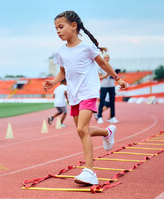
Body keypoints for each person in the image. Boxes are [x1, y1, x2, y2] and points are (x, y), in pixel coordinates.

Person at [43, 11, 127, 186]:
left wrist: (118, 78)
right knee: (84, 130)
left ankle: (90, 171)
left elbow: (102, 63)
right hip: (74, 95)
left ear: (74, 26)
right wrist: (53, 83)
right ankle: (107, 132)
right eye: (55, 29)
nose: (58, 31)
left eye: (61, 27)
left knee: (81, 130)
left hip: (88, 91)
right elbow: (62, 73)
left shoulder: (87, 47)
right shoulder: (60, 52)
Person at [97, 54, 118, 124]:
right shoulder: (100, 67)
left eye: (107, 58)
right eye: (105, 58)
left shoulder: (113, 67)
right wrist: (106, 75)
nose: (106, 59)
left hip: (112, 85)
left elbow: (115, 76)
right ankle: (99, 116)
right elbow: (99, 77)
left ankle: (112, 117)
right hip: (104, 86)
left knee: (112, 102)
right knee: (102, 102)